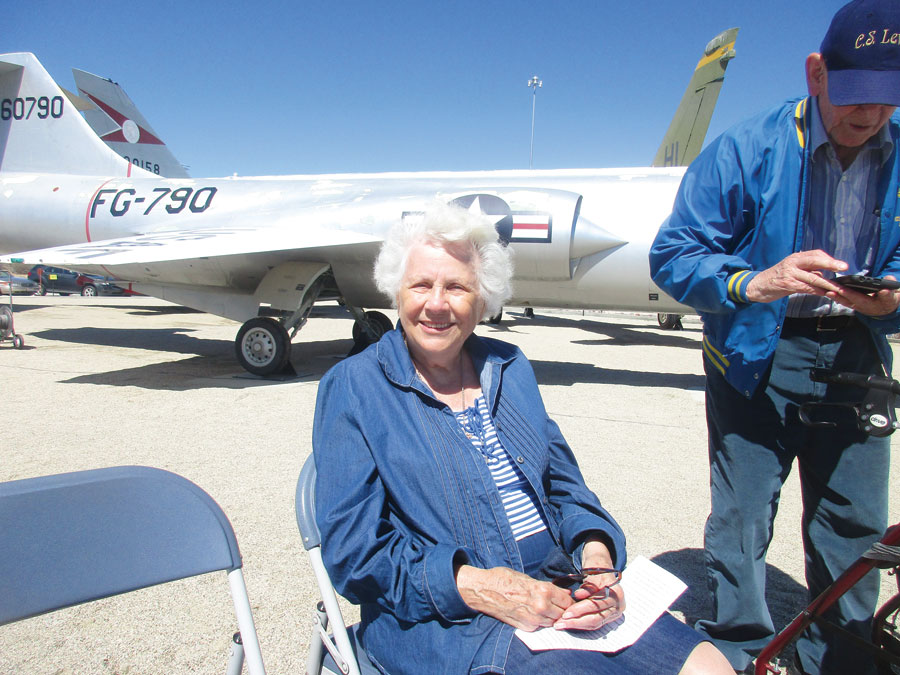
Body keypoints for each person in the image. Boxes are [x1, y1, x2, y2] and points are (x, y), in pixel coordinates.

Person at [313, 204, 732, 674]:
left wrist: (596, 559)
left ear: (483, 298)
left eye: (456, 286)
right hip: (448, 619)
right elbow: (354, 554)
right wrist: (477, 586)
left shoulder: (509, 367)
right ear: (396, 291)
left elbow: (565, 487)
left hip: (558, 586)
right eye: (420, 285)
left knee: (710, 665)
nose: (435, 303)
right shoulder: (355, 387)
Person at [649, 1, 900, 673]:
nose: (870, 116)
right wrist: (757, 282)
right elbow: (673, 255)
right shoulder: (746, 148)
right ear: (816, 73)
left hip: (857, 350)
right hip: (758, 351)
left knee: (855, 525)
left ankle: (841, 658)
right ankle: (739, 648)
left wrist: (892, 296)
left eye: (887, 99)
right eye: (855, 97)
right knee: (742, 514)